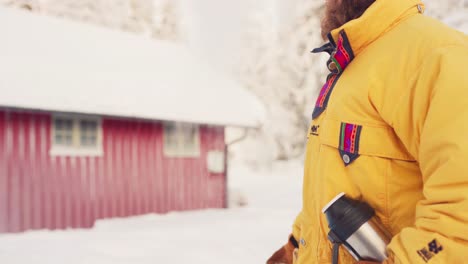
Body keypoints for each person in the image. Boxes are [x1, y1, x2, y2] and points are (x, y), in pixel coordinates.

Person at [266, 0, 468, 263]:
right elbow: (332, 184)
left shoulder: (439, 56)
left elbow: (460, 215)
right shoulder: (349, 67)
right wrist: (295, 246)